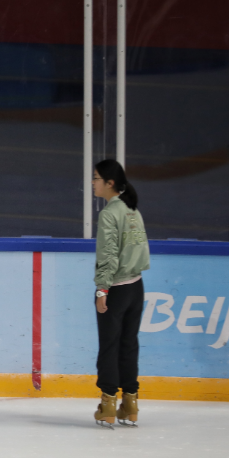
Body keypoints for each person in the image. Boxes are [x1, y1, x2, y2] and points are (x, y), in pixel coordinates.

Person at [92, 160, 150, 428]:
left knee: (110, 347)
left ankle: (107, 405)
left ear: (109, 183)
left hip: (116, 290)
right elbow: (139, 250)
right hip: (136, 287)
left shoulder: (109, 214)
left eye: (96, 178)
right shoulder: (131, 209)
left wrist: (102, 289)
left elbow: (108, 255)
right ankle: (130, 403)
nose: (93, 183)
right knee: (128, 344)